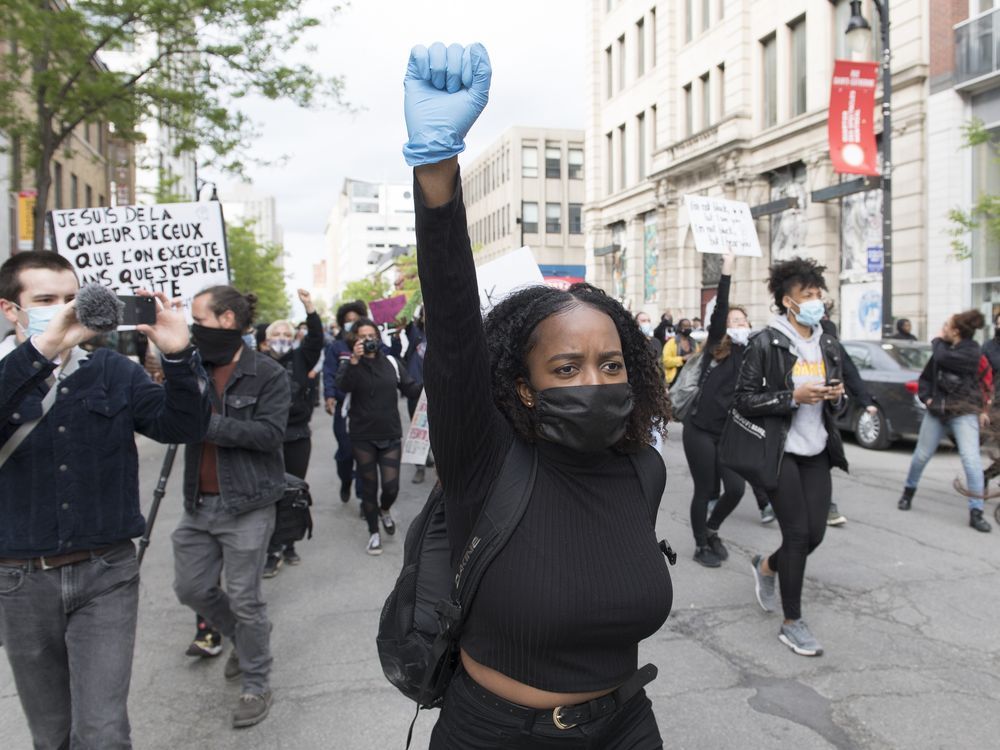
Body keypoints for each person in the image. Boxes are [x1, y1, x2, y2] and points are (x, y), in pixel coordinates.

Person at [404, 42, 673, 748]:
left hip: (625, 726)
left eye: (612, 365)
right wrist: (437, 172)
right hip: (497, 733)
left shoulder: (643, 468)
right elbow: (457, 328)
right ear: (522, 387)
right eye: (566, 367)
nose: (595, 380)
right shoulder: (484, 462)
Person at [0, 251, 209, 749]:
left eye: (73, 298)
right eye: (47, 300)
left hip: (106, 573)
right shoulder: (8, 372)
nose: (66, 310)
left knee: (103, 732)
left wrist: (179, 357)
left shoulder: (113, 369)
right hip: (21, 582)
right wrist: (43, 350)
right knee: (52, 734)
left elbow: (183, 426)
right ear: (11, 309)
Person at [172, 286, 290, 729]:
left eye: (198, 319)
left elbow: (269, 434)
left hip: (247, 504)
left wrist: (207, 424)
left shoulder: (267, 374)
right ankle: (244, 639)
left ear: (226, 320)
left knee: (245, 598)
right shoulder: (191, 368)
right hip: (196, 504)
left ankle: (256, 682)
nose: (192, 327)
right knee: (191, 589)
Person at [737, 256, 850, 657]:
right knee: (798, 535)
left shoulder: (827, 340)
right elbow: (745, 399)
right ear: (788, 301)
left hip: (817, 448)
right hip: (780, 451)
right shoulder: (766, 342)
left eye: (819, 293)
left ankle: (766, 565)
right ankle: (792, 622)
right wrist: (792, 397)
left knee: (815, 534)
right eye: (809, 294)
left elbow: (842, 391)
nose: (817, 300)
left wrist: (837, 396)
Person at [682, 253, 759, 567]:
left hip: (729, 434)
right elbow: (722, 308)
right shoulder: (717, 345)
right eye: (732, 320)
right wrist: (727, 269)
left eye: (742, 321)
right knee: (705, 489)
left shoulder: (755, 351)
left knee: (737, 489)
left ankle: (712, 529)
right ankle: (701, 545)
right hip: (699, 430)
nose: (738, 324)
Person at [897, 310, 991, 532]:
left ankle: (976, 511)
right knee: (921, 456)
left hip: (963, 412)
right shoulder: (942, 351)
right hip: (937, 411)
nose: (943, 328)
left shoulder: (971, 351)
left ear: (956, 331)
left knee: (971, 461)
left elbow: (942, 357)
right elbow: (927, 377)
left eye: (947, 325)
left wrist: (937, 340)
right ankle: (907, 493)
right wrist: (927, 398)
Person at [335, 318, 421, 555]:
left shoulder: (392, 363)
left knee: (391, 487)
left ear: (378, 337)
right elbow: (343, 386)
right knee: (369, 487)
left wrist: (433, 381)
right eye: (362, 336)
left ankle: (385, 510)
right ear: (355, 340)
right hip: (362, 435)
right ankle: (374, 533)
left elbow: (411, 388)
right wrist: (353, 361)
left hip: (390, 432)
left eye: (371, 335)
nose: (368, 340)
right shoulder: (350, 363)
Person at [262, 289, 324, 577]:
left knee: (293, 491)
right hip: (266, 438)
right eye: (277, 334)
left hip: (297, 435)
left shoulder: (300, 358)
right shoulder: (258, 364)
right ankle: (271, 547)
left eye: (288, 333)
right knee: (270, 492)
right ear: (266, 340)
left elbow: (316, 339)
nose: (283, 338)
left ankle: (288, 543)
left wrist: (309, 309)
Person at [819, 317, 879, 527]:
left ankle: (826, 506)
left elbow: (850, 372)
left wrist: (865, 401)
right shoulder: (788, 340)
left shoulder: (831, 343)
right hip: (790, 412)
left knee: (821, 459)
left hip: (821, 415)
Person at [323, 300, 368, 503]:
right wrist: (330, 396)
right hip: (343, 409)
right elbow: (329, 373)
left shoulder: (370, 343)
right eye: (348, 321)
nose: (351, 324)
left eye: (355, 320)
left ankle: (362, 496)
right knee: (346, 451)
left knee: (363, 455)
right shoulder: (336, 346)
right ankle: (345, 481)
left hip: (366, 407)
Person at [397, 305, 434, 483]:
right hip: (416, 389)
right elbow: (404, 318)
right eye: (426, 312)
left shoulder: (444, 335)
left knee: (437, 427)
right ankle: (419, 467)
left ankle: (430, 456)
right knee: (418, 428)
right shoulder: (415, 333)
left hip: (437, 390)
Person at [662, 317, 698, 385]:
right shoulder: (672, 343)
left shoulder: (694, 342)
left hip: (691, 380)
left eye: (690, 326)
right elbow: (665, 361)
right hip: (675, 380)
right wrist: (682, 359)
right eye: (685, 326)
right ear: (680, 328)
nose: (688, 328)